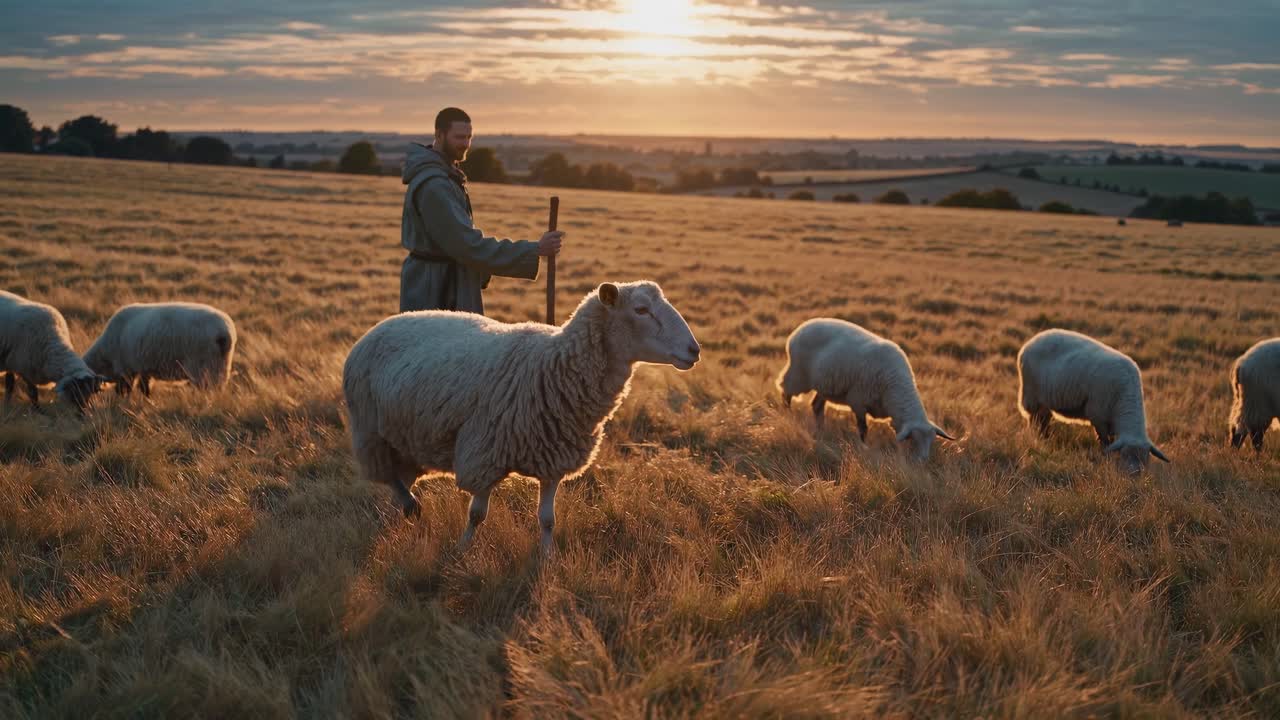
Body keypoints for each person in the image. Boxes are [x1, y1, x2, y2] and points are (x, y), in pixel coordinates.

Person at [399, 107, 563, 314]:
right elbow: (467, 244)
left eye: (469, 137)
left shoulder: (446, 175)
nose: (465, 144)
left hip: (443, 282)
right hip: (435, 290)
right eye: (459, 137)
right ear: (439, 135)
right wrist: (534, 250)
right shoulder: (435, 185)